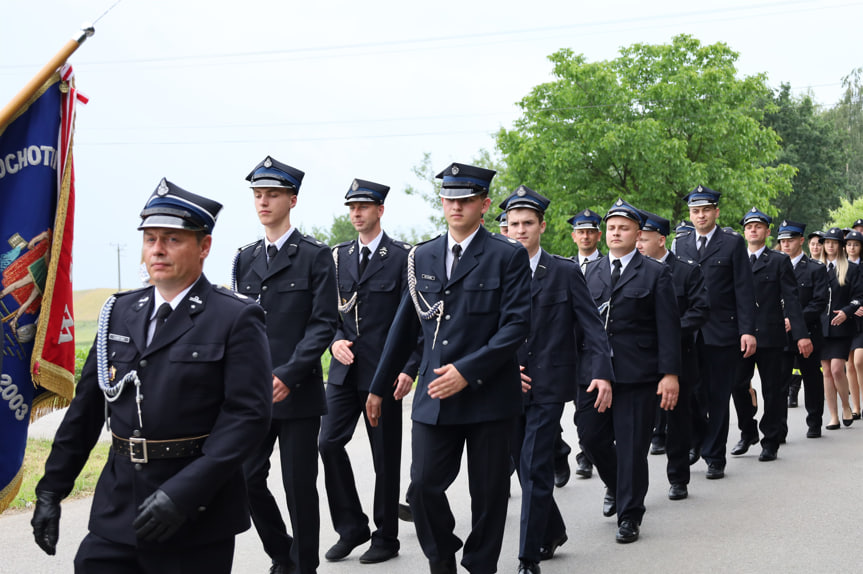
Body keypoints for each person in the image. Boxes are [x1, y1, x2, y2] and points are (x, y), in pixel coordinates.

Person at [31, 179, 273, 573]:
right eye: (150, 239)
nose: (157, 249)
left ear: (204, 247)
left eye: (173, 239)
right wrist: (51, 490)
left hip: (194, 513)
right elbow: (87, 410)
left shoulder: (234, 318)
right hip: (118, 507)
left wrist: (183, 493)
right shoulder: (119, 313)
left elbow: (248, 417)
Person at [365, 162, 531, 574]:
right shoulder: (421, 255)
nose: (456, 206)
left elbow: (516, 326)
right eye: (449, 199)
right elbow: (405, 326)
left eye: (466, 199)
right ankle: (442, 558)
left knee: (489, 495)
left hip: (489, 394)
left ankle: (480, 564)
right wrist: (378, 385)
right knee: (422, 487)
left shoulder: (506, 256)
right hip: (436, 396)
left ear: (484, 204)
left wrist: (468, 371)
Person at [233, 156, 339, 574]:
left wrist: (289, 374)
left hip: (298, 393)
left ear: (291, 200)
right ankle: (284, 554)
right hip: (254, 395)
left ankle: (304, 567)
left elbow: (323, 324)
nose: (263, 201)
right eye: (258, 195)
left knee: (299, 489)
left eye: (272, 194)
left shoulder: (314, 256)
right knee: (245, 478)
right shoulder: (244, 260)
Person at [503, 186, 613, 573]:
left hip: (549, 385)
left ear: (542, 226)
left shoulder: (564, 272)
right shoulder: (495, 271)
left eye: (527, 223)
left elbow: (592, 328)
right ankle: (552, 531)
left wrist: (600, 373)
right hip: (505, 386)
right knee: (519, 464)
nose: (520, 230)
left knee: (533, 466)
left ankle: (527, 557)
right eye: (513, 224)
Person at [318, 178, 420, 564]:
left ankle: (385, 537)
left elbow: (416, 320)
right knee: (327, 444)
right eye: (351, 207)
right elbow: (327, 313)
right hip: (344, 372)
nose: (356, 213)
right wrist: (334, 341)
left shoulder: (403, 257)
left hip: (385, 373)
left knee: (384, 458)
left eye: (363, 206)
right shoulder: (338, 256)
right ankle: (351, 527)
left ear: (380, 210)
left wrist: (409, 367)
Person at [580, 198, 680, 544]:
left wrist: (670, 374)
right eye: (611, 228)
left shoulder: (655, 273)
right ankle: (616, 482)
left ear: (638, 233)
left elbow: (668, 328)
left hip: (638, 374)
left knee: (633, 446)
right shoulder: (588, 272)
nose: (616, 233)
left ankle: (630, 515)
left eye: (624, 228)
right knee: (590, 436)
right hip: (595, 373)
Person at [672, 185, 757, 479]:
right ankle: (698, 440)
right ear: (690, 214)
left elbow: (744, 290)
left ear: (716, 212)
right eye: (695, 211)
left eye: (706, 210)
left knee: (718, 395)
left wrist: (747, 330)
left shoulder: (732, 243)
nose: (701, 215)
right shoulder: (680, 243)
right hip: (689, 333)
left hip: (722, 331)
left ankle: (714, 455)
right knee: (692, 395)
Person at [636, 210, 709, 500]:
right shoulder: (632, 271)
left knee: (679, 420)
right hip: (640, 359)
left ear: (662, 240)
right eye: (636, 238)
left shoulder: (686, 270)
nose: (638, 243)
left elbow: (700, 310)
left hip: (679, 355)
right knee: (638, 423)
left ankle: (678, 477)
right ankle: (626, 486)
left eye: (644, 238)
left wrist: (668, 330)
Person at [728, 208, 810, 462]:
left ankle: (771, 439)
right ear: (744, 232)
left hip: (771, 334)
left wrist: (801, 335)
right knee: (736, 384)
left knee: (773, 391)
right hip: (740, 335)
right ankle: (748, 429)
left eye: (758, 226)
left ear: (767, 231)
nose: (753, 230)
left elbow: (792, 300)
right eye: (749, 227)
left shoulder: (778, 261)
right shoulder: (734, 258)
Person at [564, 208, 606, 481]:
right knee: (578, 408)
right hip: (569, 348)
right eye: (581, 232)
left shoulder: (607, 267)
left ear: (598, 236)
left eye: (591, 231)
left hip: (595, 349)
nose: (586, 236)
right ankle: (582, 452)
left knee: (591, 409)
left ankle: (587, 455)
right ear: (574, 236)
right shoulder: (564, 266)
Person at [777, 220, 829, 438]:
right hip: (779, 333)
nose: (786, 244)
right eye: (782, 240)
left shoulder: (815, 269)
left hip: (807, 331)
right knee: (779, 381)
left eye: (790, 240)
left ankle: (814, 421)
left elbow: (819, 302)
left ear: (800, 240)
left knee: (812, 379)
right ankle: (778, 428)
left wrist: (795, 320)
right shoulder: (774, 265)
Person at [817, 227, 863, 430]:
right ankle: (834, 415)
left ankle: (846, 406)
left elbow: (859, 296)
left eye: (834, 242)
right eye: (827, 242)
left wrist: (847, 311)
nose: (830, 246)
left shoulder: (851, 269)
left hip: (842, 327)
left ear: (840, 246)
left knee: (837, 369)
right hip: (820, 327)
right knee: (826, 371)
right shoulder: (817, 268)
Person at [844, 230, 863, 418]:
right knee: (849, 364)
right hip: (848, 319)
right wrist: (850, 308)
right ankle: (856, 407)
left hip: (862, 321)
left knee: (859, 361)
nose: (852, 248)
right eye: (849, 244)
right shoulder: (842, 267)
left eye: (856, 244)